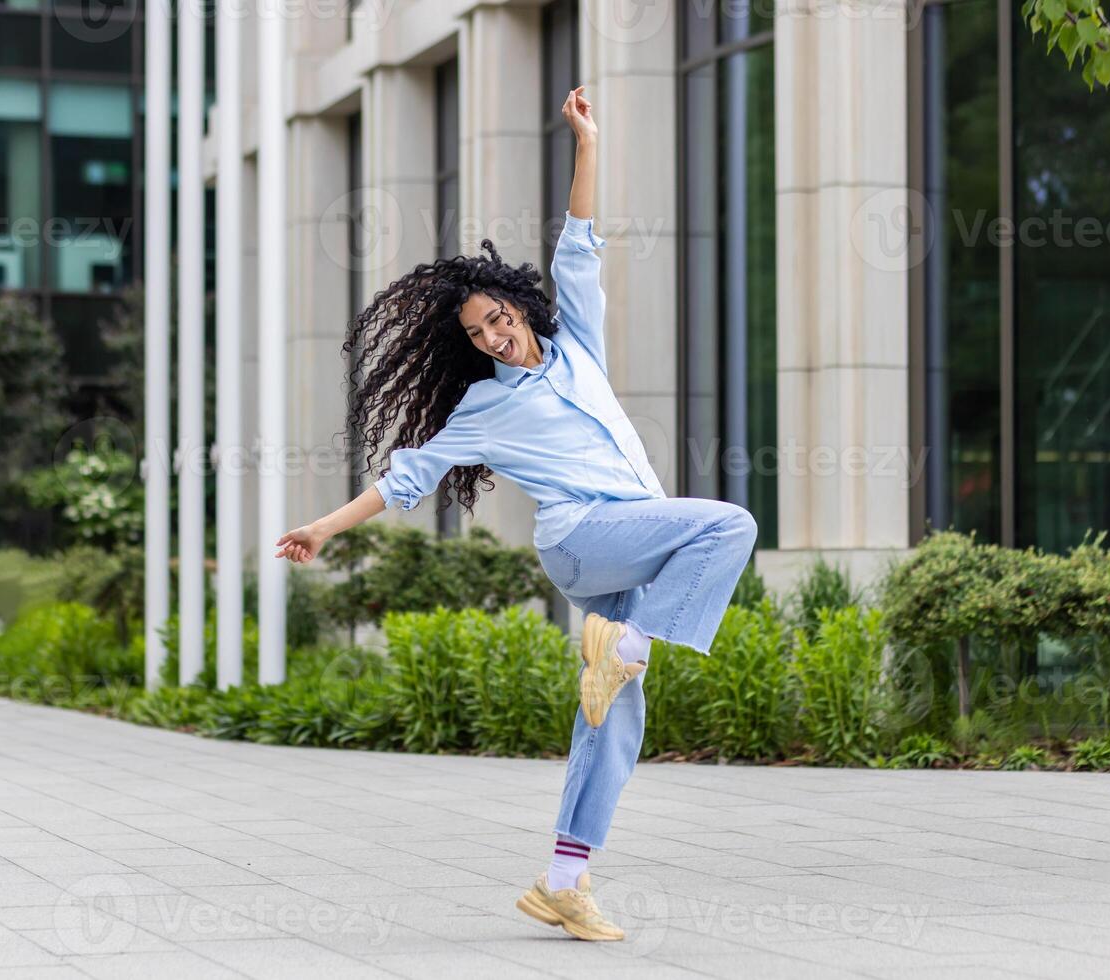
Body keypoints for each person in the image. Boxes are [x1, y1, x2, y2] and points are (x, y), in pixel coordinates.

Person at [275, 85, 758, 942]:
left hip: (627, 541)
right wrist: (323, 526)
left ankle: (562, 879)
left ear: (518, 307)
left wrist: (587, 142)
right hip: (581, 544)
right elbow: (407, 478)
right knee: (728, 525)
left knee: (613, 716)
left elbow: (580, 242)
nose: (494, 337)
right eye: (477, 333)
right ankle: (631, 642)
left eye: (498, 319)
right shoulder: (482, 410)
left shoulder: (579, 348)